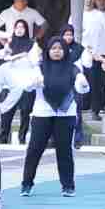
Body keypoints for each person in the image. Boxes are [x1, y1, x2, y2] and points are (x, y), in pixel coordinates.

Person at [19, 37, 86, 195]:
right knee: (34, 149)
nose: (57, 51)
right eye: (53, 48)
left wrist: (83, 84)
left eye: (60, 48)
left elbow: (82, 88)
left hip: (66, 113)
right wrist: (34, 83)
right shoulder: (39, 68)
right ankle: (27, 184)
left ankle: (68, 186)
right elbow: (27, 87)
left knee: (64, 151)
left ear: (65, 51)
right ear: (48, 51)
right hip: (42, 113)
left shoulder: (73, 68)